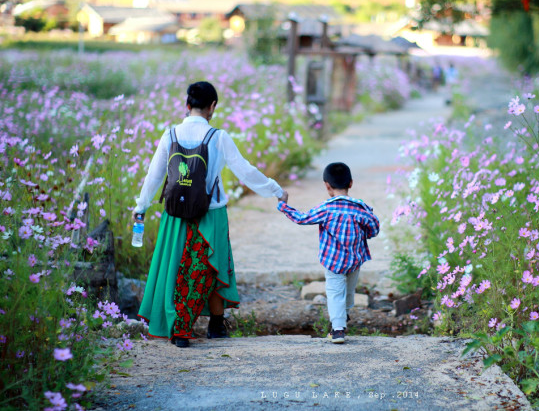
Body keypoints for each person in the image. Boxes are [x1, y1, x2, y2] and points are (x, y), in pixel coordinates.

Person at [133, 81, 287, 348]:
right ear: (212, 106)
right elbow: (245, 170)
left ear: (187, 104)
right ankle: (216, 325)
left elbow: (154, 175)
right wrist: (276, 190)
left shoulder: (169, 135)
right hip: (211, 213)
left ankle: (178, 328)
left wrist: (141, 207)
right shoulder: (218, 137)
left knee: (176, 269)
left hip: (176, 214)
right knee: (212, 266)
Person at [276, 162, 379, 344]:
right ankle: (343, 315)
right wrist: (365, 235)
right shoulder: (361, 208)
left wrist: (284, 205)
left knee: (334, 292)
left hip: (333, 261)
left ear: (327, 186)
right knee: (348, 292)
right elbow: (374, 227)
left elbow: (302, 218)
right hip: (355, 259)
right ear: (351, 183)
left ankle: (338, 330)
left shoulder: (326, 208)